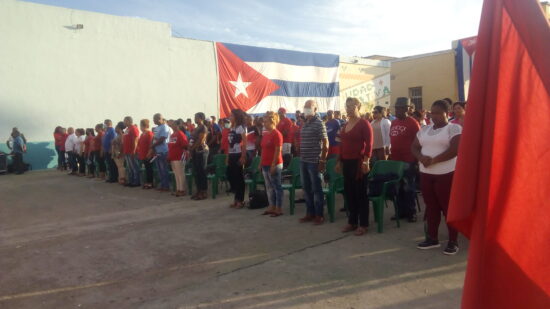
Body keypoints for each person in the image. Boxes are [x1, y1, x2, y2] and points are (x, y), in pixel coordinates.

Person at [412, 100, 462, 255]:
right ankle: (432, 238)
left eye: (438, 113)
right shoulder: (425, 129)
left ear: (447, 113)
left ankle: (453, 241)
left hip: (446, 174)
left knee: (448, 208)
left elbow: (455, 149)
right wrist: (421, 158)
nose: (434, 116)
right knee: (431, 207)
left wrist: (433, 160)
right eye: (432, 113)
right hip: (426, 174)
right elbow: (414, 146)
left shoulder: (453, 128)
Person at [338, 97, 373, 236]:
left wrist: (366, 161)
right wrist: (339, 161)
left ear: (358, 106)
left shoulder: (364, 123)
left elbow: (369, 144)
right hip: (346, 162)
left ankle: (363, 223)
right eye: (347, 106)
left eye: (352, 105)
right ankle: (352, 221)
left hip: (359, 163)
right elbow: (342, 144)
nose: (349, 108)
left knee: (361, 194)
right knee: (349, 193)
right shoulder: (345, 124)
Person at [390, 97, 421, 222]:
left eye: (399, 108)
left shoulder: (413, 123)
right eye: (396, 108)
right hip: (396, 161)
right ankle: (400, 211)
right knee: (398, 187)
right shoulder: (394, 122)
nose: (397, 110)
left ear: (407, 109)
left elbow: (419, 142)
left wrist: (417, 160)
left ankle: (411, 212)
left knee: (408, 187)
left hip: (409, 160)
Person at [299, 100, 329, 225]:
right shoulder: (305, 123)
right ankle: (310, 213)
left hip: (314, 161)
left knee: (317, 189)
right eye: (305, 107)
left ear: (315, 109)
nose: (306, 109)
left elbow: (326, 144)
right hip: (304, 161)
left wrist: (322, 161)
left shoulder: (319, 123)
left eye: (309, 107)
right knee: (306, 188)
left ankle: (319, 214)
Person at [260, 111, 284, 217]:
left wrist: (273, 164)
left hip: (274, 164)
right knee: (269, 187)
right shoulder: (265, 134)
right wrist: (261, 162)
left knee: (276, 186)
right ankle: (272, 206)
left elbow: (278, 150)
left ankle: (278, 208)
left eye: (265, 122)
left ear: (272, 121)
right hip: (265, 164)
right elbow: (263, 149)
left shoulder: (277, 134)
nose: (264, 124)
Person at [227, 109, 248, 208]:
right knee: (233, 177)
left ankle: (240, 200)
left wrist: (243, 156)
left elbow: (244, 143)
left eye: (231, 115)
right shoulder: (232, 128)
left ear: (236, 117)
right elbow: (229, 143)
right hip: (232, 154)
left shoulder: (240, 127)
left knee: (239, 178)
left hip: (238, 154)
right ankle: (236, 199)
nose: (229, 117)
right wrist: (227, 156)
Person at [189, 112, 209, 200]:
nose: (195, 119)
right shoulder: (196, 128)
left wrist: (192, 148)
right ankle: (198, 191)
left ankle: (203, 192)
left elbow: (201, 140)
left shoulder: (203, 128)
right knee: (197, 172)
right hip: (195, 152)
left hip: (201, 151)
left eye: (196, 117)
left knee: (202, 171)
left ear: (201, 118)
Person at [167, 119, 189, 197]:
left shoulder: (180, 134)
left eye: (173, 124)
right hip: (173, 157)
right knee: (176, 174)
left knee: (180, 173)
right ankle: (178, 189)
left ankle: (182, 190)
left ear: (177, 125)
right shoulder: (172, 135)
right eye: (171, 125)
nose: (172, 126)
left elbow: (185, 144)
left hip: (179, 156)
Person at [151, 113, 170, 192]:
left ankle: (166, 186)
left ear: (159, 119)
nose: (153, 120)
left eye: (154, 119)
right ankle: (162, 185)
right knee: (159, 170)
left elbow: (162, 138)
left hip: (163, 151)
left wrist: (153, 145)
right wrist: (153, 147)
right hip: (157, 151)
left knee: (164, 169)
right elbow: (154, 138)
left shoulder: (164, 127)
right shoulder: (157, 128)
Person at [122, 116, 141, 187]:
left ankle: (136, 182)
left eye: (125, 121)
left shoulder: (133, 128)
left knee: (134, 167)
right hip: (127, 151)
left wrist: (134, 150)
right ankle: (131, 180)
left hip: (132, 151)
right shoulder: (127, 129)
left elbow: (135, 139)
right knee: (129, 167)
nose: (124, 122)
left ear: (129, 121)